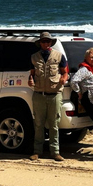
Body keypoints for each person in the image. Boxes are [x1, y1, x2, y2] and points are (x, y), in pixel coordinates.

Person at [28, 32, 68, 162]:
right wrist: (30, 80)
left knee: (54, 124)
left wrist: (63, 79)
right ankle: (37, 151)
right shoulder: (34, 57)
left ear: (51, 43)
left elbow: (65, 72)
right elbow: (32, 74)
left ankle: (55, 152)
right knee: (38, 124)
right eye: (43, 41)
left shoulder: (59, 56)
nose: (46, 43)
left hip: (55, 94)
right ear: (40, 43)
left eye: (48, 41)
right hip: (39, 94)